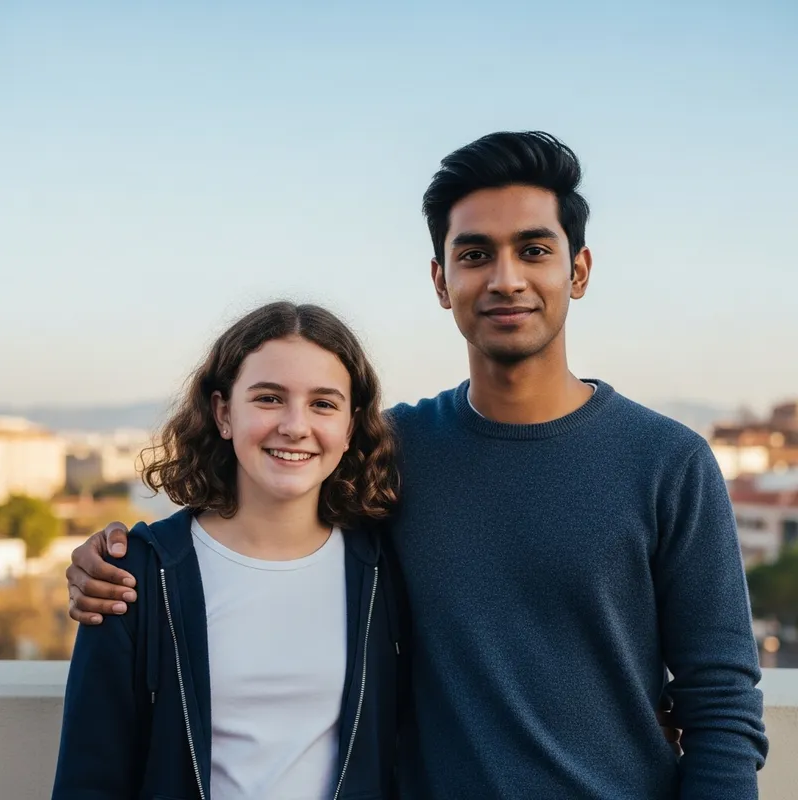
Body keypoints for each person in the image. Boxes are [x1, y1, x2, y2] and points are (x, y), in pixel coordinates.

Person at [67, 131, 767, 798]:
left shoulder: (670, 463)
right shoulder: (392, 453)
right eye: (474, 254)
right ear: (441, 281)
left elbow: (723, 707)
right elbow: (260, 523)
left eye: (533, 249)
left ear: (577, 270)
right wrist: (117, 559)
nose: (505, 278)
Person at [54, 302, 407, 799]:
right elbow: (88, 779)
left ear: (350, 427)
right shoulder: (136, 576)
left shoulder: (384, 572)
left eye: (323, 404)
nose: (295, 425)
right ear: (223, 413)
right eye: (268, 398)